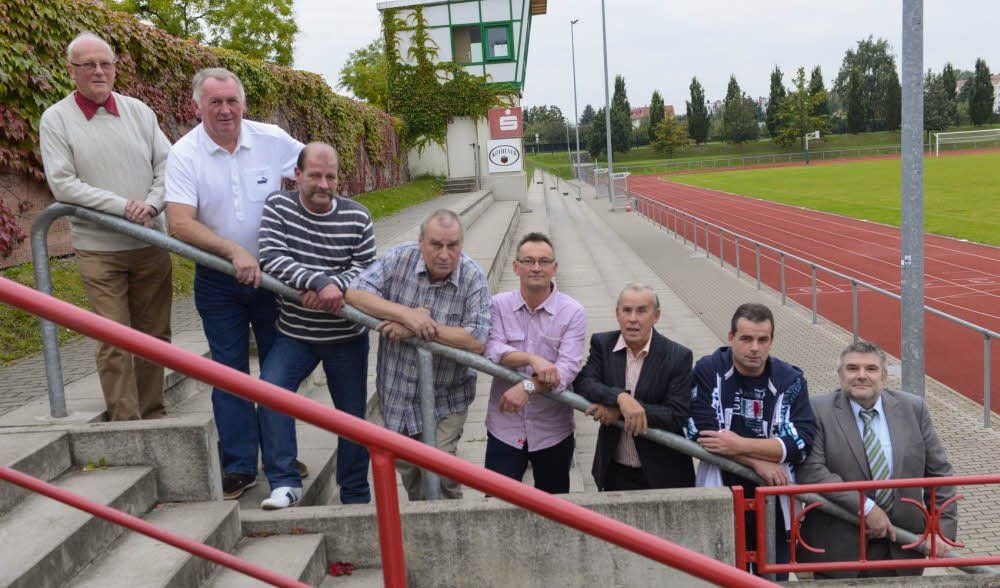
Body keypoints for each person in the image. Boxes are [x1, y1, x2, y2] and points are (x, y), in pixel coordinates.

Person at [165, 67, 304, 500]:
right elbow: (179, 223)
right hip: (218, 279)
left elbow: (316, 167)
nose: (225, 110)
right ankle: (239, 465)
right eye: (215, 103)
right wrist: (232, 252)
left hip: (273, 277)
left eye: (232, 101)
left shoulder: (271, 138)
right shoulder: (184, 154)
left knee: (278, 371)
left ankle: (280, 455)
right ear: (197, 107)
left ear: (243, 103)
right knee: (229, 372)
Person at [39, 32, 173, 421]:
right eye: (88, 64)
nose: (98, 71)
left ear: (115, 69)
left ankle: (153, 413)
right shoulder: (57, 119)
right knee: (113, 340)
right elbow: (63, 183)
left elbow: (167, 165)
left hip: (150, 242)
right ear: (71, 71)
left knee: (155, 337)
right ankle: (126, 421)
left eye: (106, 63)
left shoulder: (139, 112)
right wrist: (123, 207)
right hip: (99, 249)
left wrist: (150, 204)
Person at [255, 142, 375, 509]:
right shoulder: (278, 206)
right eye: (315, 175)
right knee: (271, 393)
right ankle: (284, 482)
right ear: (297, 175)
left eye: (331, 176)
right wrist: (315, 281)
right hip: (296, 333)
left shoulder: (358, 217)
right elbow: (271, 257)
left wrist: (333, 286)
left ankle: (354, 493)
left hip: (346, 337)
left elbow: (367, 270)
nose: (324, 184)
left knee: (352, 417)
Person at [345, 209, 491, 501]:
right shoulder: (400, 258)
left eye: (453, 246)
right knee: (410, 471)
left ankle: (450, 533)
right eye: (436, 244)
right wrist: (405, 314)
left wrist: (421, 329)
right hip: (398, 393)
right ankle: (424, 531)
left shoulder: (473, 277)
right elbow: (354, 292)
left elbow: (477, 339)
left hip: (446, 397)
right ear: (421, 242)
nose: (445, 254)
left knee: (442, 471)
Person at [796, 341, 957, 579]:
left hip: (903, 544)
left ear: (884, 374)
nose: (862, 376)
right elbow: (811, 471)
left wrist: (940, 531)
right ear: (839, 375)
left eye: (871, 369)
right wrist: (867, 508)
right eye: (852, 368)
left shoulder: (913, 408)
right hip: (837, 548)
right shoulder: (818, 409)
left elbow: (939, 474)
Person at [688, 302, 815, 579]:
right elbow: (700, 430)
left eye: (762, 340)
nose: (754, 347)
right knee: (721, 578)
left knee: (771, 578)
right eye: (746, 339)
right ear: (731, 337)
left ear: (771, 341)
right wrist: (757, 462)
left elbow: (801, 442)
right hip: (721, 494)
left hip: (773, 503)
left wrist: (739, 445)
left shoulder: (790, 379)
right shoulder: (709, 370)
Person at [482, 232, 587, 494]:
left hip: (553, 430)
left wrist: (527, 387)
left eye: (543, 261)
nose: (536, 268)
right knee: (496, 506)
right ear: (516, 267)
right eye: (529, 261)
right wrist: (532, 359)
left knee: (554, 510)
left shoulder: (573, 312)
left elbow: (567, 369)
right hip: (504, 427)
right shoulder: (497, 305)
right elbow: (492, 348)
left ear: (554, 268)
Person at [574, 283, 695, 491]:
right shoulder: (603, 344)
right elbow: (584, 382)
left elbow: (676, 414)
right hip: (614, 470)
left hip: (663, 474)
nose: (633, 319)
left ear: (656, 316)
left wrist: (619, 412)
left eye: (641, 311)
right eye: (627, 310)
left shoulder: (678, 356)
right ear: (617, 314)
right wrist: (621, 398)